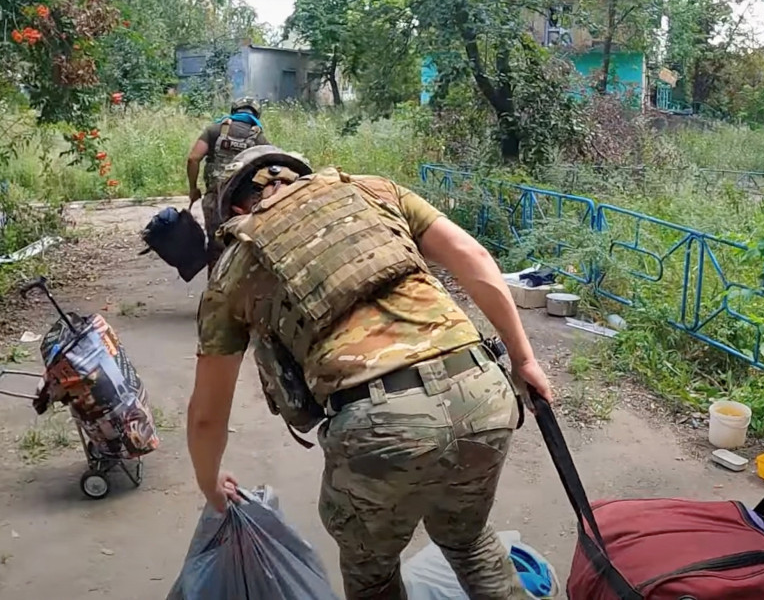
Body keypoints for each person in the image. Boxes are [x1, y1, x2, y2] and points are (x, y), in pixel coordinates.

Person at [186, 144, 554, 600]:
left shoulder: (234, 266)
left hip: (377, 425)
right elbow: (473, 257)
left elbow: (206, 414)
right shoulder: (372, 191)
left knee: (374, 577)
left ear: (236, 207)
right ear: (303, 177)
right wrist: (524, 359)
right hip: (481, 388)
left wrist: (210, 484)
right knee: (470, 539)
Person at [184, 97, 269, 272]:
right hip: (242, 204)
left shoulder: (214, 130)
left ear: (234, 110)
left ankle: (213, 292)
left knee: (215, 246)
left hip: (215, 199)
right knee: (240, 247)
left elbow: (193, 159)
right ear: (256, 114)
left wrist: (193, 189)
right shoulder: (258, 137)